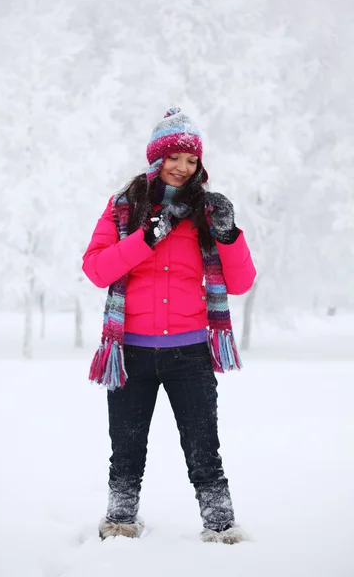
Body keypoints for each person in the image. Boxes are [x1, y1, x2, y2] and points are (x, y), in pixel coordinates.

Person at [82, 107, 256, 544]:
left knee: (203, 450)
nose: (182, 167)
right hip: (130, 354)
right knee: (126, 449)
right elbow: (97, 269)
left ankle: (220, 525)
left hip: (190, 353)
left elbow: (240, 283)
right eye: (173, 157)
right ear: (155, 159)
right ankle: (120, 522)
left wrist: (230, 234)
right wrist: (148, 235)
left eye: (191, 159)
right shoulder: (124, 208)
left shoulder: (206, 209)